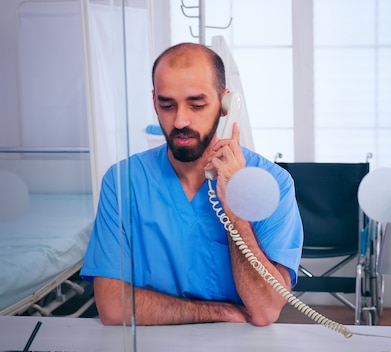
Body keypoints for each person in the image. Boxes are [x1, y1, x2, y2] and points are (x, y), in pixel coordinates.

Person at [80, 43, 304, 327]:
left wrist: (235, 204)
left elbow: (265, 310)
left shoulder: (273, 183)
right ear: (154, 103)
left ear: (225, 105)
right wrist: (219, 313)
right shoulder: (123, 181)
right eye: (167, 105)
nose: (180, 120)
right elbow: (112, 307)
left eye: (197, 105)